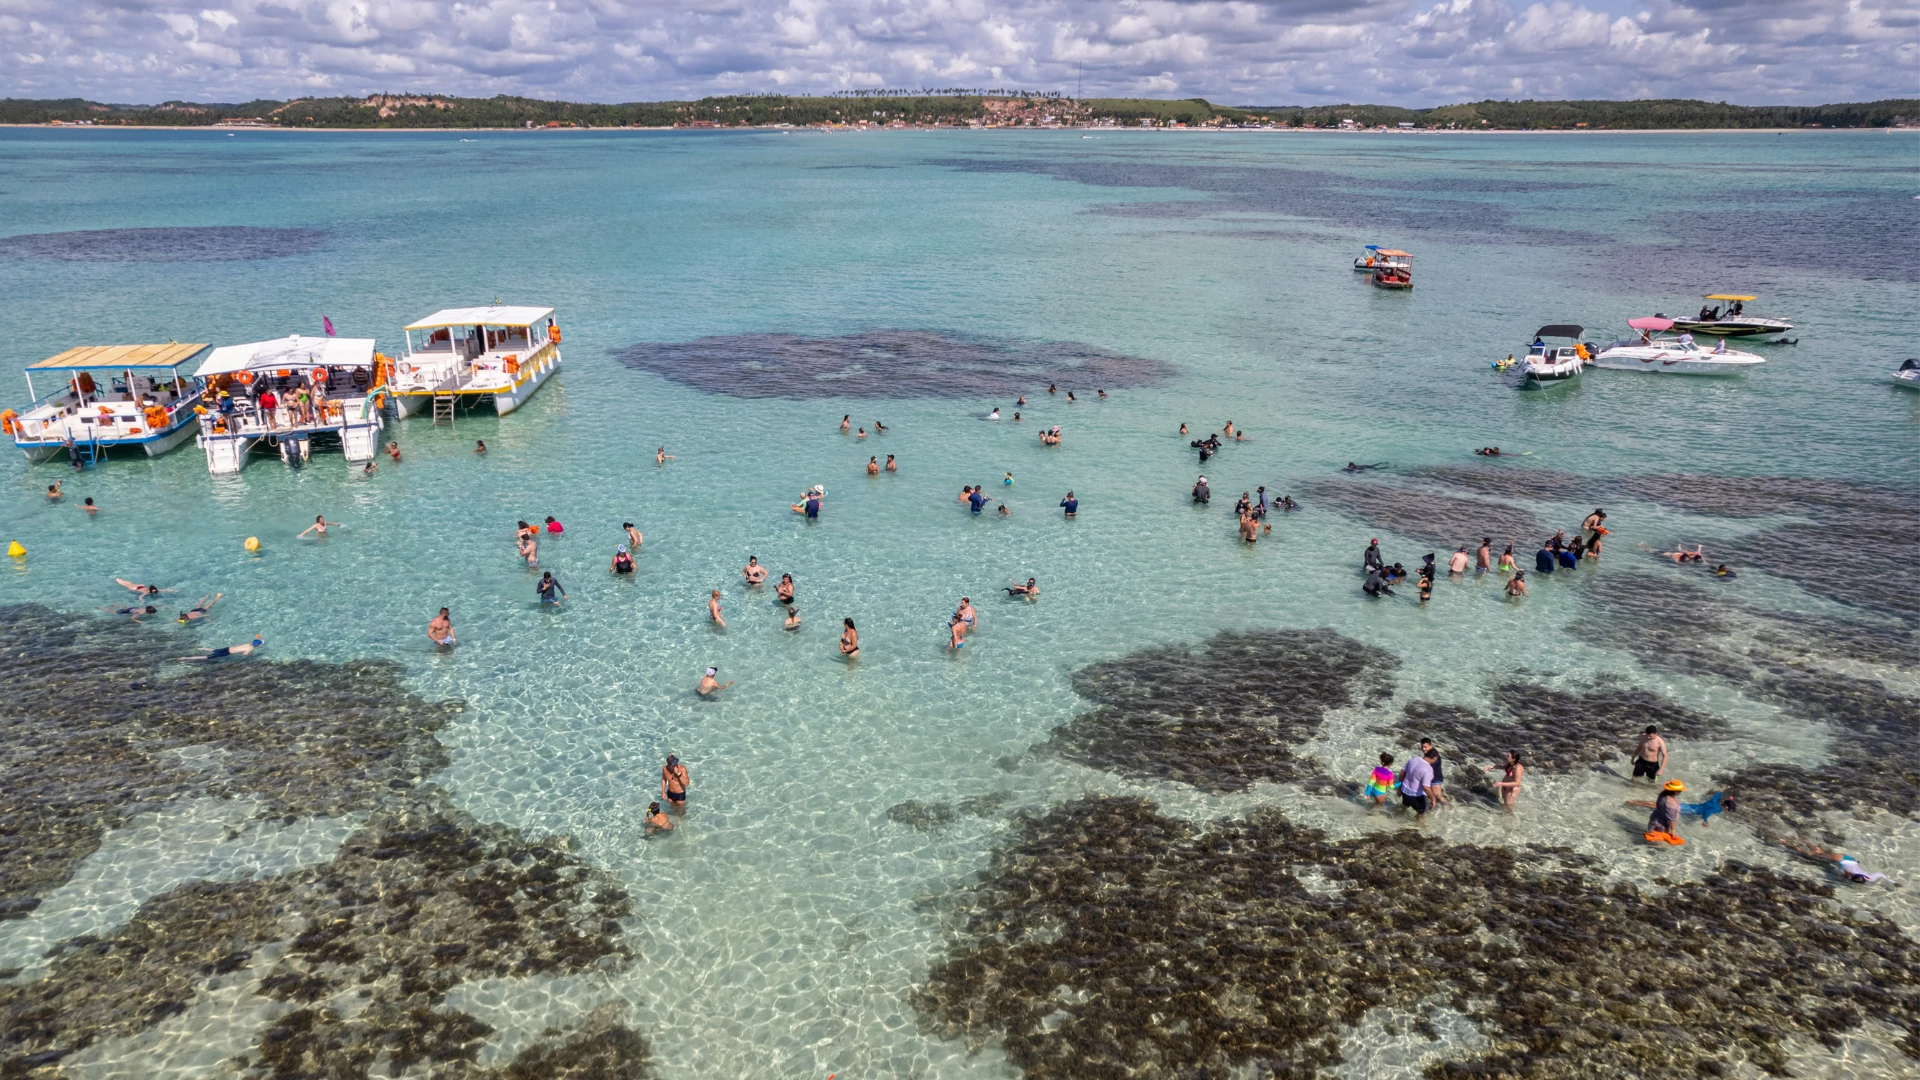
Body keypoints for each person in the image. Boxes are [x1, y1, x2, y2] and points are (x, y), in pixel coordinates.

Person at [1778, 839, 1900, 886]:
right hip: (1840, 859)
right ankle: (1787, 843)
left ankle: (1803, 840)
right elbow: (1836, 873)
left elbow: (1881, 874)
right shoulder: (1847, 875)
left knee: (1819, 853)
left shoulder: (1870, 878)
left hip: (1849, 858)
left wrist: (1893, 882)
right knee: (1809, 855)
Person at [1625, 790, 1734, 828]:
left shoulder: (1715, 801)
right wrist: (1705, 820)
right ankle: (1634, 804)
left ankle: (1635, 802)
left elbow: (1716, 796)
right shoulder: (1717, 809)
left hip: (1688, 806)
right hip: (1688, 810)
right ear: (1726, 808)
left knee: (1658, 804)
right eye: (1728, 810)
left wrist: (1721, 791)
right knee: (1660, 806)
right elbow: (1707, 812)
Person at [1399, 749, 1434, 821]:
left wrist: (1399, 787)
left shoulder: (1414, 759)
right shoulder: (1428, 769)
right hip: (1417, 797)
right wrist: (1433, 799)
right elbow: (1426, 787)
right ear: (1434, 758)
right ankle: (1420, 830)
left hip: (1405, 791)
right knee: (1421, 815)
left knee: (1404, 807)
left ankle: (1398, 818)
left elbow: (1402, 772)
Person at [179, 636, 264, 661]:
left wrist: (259, 638)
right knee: (206, 657)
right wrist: (250, 656)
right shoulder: (250, 648)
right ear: (257, 645)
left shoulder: (249, 643)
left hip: (227, 648)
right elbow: (244, 654)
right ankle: (185, 658)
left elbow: (256, 640)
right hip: (226, 653)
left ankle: (200, 648)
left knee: (213, 649)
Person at [1419, 739, 1446, 807]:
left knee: (1438, 796)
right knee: (1434, 795)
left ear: (1431, 745)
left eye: (1425, 747)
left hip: (1435, 779)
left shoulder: (1434, 755)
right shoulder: (1429, 753)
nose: (1424, 749)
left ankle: (1447, 807)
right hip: (1432, 778)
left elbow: (1428, 766)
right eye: (1422, 747)